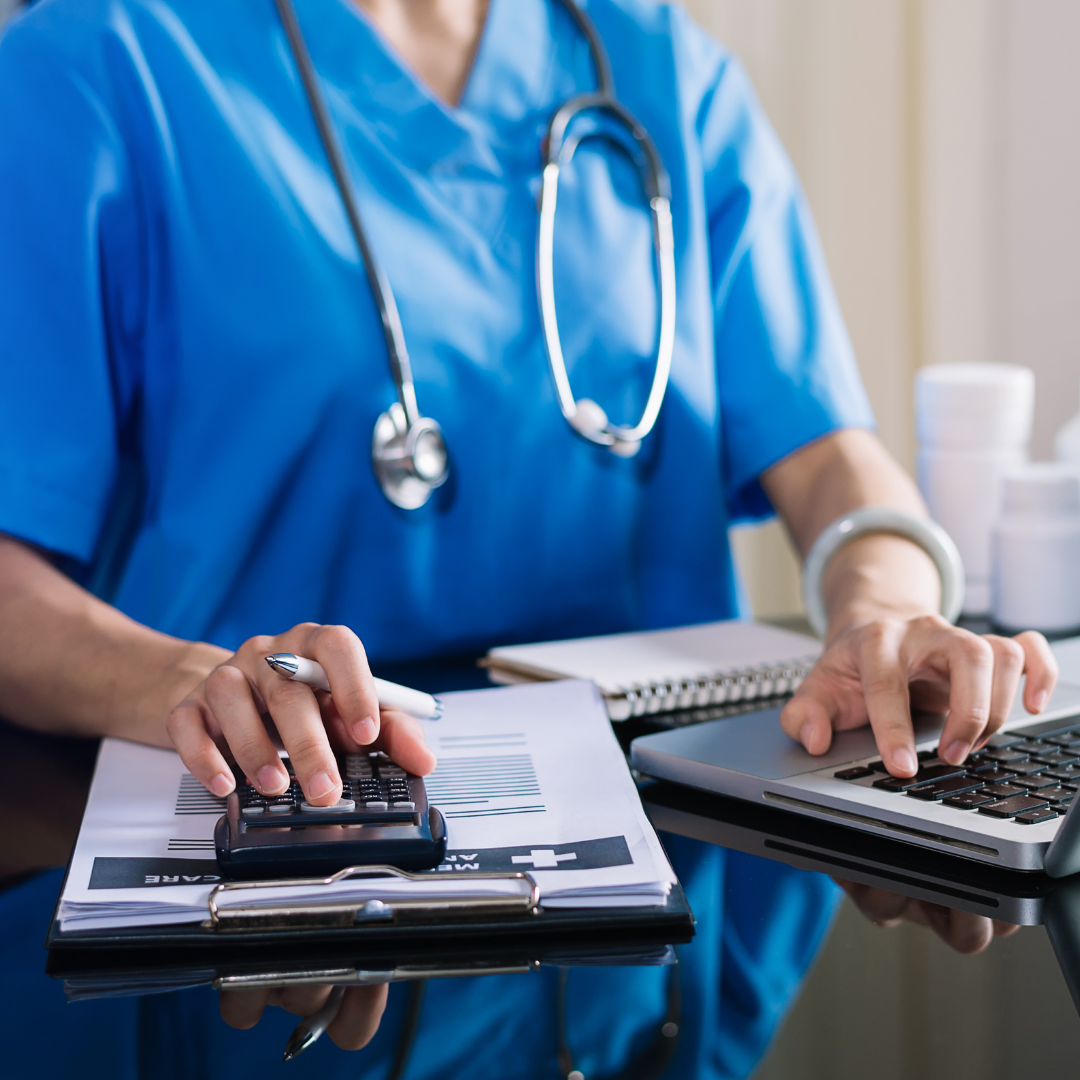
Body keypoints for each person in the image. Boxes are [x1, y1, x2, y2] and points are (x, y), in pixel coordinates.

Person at [0, 0, 1057, 1076]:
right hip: (284, 857)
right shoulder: (95, 63)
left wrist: (882, 613)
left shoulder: (663, 70)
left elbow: (831, 456)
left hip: (657, 895)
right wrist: (188, 682)